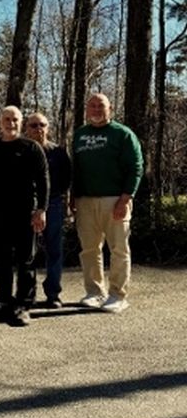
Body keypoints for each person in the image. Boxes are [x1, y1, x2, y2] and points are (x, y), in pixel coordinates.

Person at [72, 93, 143, 313]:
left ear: (109, 108)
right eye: (91, 105)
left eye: (100, 105)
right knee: (89, 249)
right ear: (86, 109)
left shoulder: (122, 134)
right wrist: (73, 196)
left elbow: (136, 167)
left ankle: (118, 295)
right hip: (85, 200)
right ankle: (94, 292)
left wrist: (125, 198)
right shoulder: (80, 135)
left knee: (119, 249)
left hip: (115, 199)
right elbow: (76, 169)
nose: (95, 109)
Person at [0, 106, 49, 326]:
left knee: (25, 260)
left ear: (21, 122)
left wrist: (41, 210)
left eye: (15, 119)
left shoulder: (32, 148)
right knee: (1, 260)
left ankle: (23, 305)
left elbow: (43, 181)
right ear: (0, 123)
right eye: (7, 119)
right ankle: (4, 299)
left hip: (26, 214)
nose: (11, 123)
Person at [25, 112, 72, 308]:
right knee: (28, 252)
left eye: (42, 125)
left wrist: (66, 205)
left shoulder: (59, 152)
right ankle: (27, 294)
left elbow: (67, 180)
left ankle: (53, 293)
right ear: (26, 129)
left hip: (53, 205)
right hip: (26, 206)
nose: (38, 129)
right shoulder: (21, 151)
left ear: (48, 128)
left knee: (54, 250)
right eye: (34, 125)